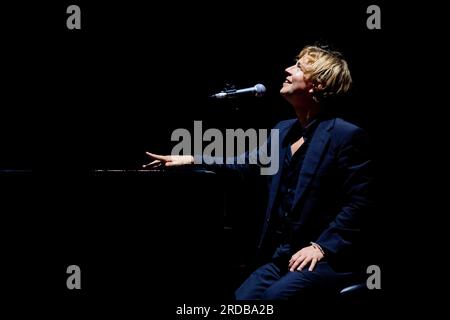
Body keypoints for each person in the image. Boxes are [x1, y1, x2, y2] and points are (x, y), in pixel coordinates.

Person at [144, 45, 372, 301]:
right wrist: (191, 159)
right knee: (241, 301)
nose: (287, 69)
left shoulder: (345, 135)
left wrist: (322, 247)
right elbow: (245, 162)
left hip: (324, 259)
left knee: (274, 299)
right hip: (281, 257)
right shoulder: (283, 130)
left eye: (298, 66)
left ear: (317, 84)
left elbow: (360, 203)